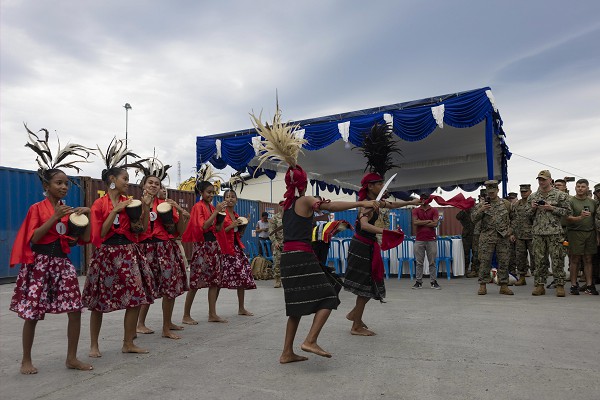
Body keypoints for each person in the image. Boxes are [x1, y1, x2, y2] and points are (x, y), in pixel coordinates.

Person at [9, 125, 94, 374]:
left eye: (67, 184)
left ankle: (71, 358)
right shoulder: (37, 208)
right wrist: (54, 217)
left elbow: (83, 239)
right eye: (59, 183)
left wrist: (86, 216)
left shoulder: (69, 211)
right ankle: (26, 359)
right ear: (47, 186)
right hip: (39, 263)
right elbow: (33, 237)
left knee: (75, 309)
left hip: (62, 263)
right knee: (32, 313)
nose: (64, 187)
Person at [82, 138, 155, 357]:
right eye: (125, 178)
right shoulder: (100, 204)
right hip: (106, 254)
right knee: (99, 301)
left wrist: (144, 208)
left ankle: (128, 342)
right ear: (112, 179)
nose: (127, 182)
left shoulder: (130, 201)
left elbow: (140, 229)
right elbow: (100, 233)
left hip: (129, 252)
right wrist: (115, 211)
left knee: (136, 297)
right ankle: (94, 345)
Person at [345, 172, 420, 336]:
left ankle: (354, 315)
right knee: (366, 287)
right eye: (379, 184)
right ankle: (356, 326)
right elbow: (364, 225)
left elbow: (391, 205)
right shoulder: (366, 206)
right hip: (362, 247)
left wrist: (411, 202)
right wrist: (386, 231)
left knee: (369, 286)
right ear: (370, 186)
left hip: (367, 246)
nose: (382, 186)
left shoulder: (376, 203)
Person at [135, 158, 191, 339]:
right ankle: (140, 324)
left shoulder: (165, 206)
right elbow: (138, 229)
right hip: (145, 249)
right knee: (145, 288)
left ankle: (166, 326)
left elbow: (178, 233)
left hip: (165, 248)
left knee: (170, 287)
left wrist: (182, 216)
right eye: (150, 183)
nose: (153, 186)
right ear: (143, 185)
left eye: (157, 184)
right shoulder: (135, 205)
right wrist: (145, 205)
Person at [181, 169, 228, 323]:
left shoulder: (212, 208)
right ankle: (186, 315)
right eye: (208, 192)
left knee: (214, 280)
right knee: (195, 282)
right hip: (202, 247)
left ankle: (212, 314)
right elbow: (203, 226)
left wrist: (221, 218)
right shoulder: (198, 207)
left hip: (213, 246)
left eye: (213, 192)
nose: (211, 195)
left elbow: (217, 229)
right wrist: (216, 214)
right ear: (201, 192)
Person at [527, 170, 572, 297]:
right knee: (539, 260)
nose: (541, 182)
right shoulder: (533, 196)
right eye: (539, 179)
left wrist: (551, 208)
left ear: (550, 180)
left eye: (544, 179)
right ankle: (540, 285)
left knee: (557, 259)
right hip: (538, 233)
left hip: (554, 232)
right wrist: (533, 208)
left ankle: (560, 285)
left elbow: (568, 212)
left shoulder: (560, 195)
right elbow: (527, 215)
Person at [216, 189, 257, 315]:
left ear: (236, 200)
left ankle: (241, 308)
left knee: (242, 275)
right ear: (224, 200)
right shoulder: (221, 214)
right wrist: (232, 225)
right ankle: (212, 311)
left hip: (236, 248)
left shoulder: (236, 214)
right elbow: (219, 232)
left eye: (232, 197)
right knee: (218, 280)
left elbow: (238, 234)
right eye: (227, 197)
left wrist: (244, 226)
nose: (230, 199)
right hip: (224, 249)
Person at [472, 180, 514, 295]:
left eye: (493, 191)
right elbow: (473, 219)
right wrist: (481, 210)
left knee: (504, 261)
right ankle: (482, 285)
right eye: (489, 191)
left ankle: (504, 285)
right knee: (485, 261)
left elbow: (514, 219)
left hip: (503, 237)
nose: (491, 193)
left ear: (497, 190)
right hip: (487, 237)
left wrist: (511, 230)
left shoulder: (506, 204)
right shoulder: (481, 205)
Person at [565, 179, 598, 295]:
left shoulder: (592, 202)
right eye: (578, 186)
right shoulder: (571, 201)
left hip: (590, 233)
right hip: (575, 233)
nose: (580, 188)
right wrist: (580, 217)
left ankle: (589, 285)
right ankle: (574, 284)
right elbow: (567, 218)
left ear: (587, 188)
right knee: (575, 259)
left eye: (583, 186)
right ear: (575, 188)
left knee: (588, 259)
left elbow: (595, 219)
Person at [412, 193, 441, 289]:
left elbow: (435, 223)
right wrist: (428, 221)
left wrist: (422, 222)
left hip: (431, 239)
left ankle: (433, 281)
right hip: (419, 239)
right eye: (422, 198)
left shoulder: (434, 210)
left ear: (429, 200)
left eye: (425, 198)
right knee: (419, 262)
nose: (424, 200)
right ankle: (418, 281)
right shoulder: (416, 210)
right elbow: (415, 222)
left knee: (432, 262)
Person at [509, 184, 535, 285]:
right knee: (520, 257)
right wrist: (512, 233)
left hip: (532, 235)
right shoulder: (516, 204)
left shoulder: (533, 203)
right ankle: (522, 277)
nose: (523, 193)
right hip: (519, 235)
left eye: (525, 191)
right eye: (522, 192)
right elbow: (513, 219)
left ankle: (537, 278)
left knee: (535, 257)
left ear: (530, 191)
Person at [456, 206, 475, 277]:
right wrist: (463, 210)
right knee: (466, 254)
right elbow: (457, 217)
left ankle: (474, 270)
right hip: (466, 235)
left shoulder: (474, 211)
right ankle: (465, 269)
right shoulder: (463, 213)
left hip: (474, 234)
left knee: (475, 253)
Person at [269, 201, 284, 288]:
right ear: (279, 207)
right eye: (281, 205)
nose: (283, 207)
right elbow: (271, 232)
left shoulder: (289, 217)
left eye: (284, 205)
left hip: (288, 244)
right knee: (277, 263)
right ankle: (278, 280)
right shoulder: (274, 218)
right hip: (278, 244)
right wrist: (275, 242)